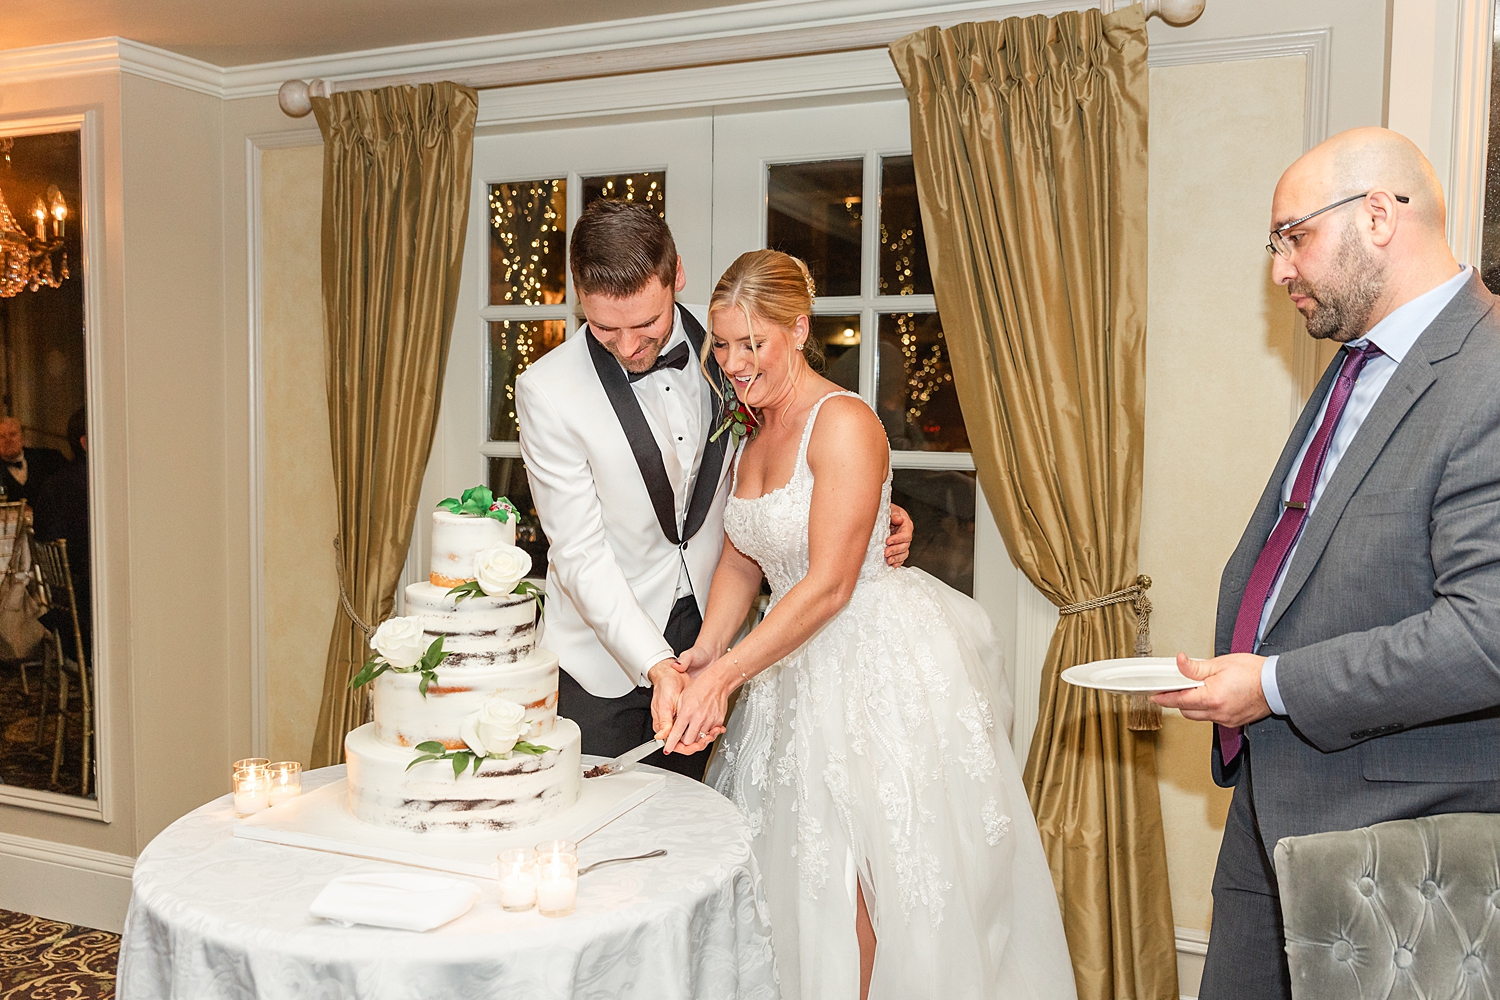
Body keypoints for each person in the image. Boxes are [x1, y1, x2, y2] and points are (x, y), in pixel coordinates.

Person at [657, 250, 1077, 1000]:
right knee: (793, 879)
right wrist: (703, 652)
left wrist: (728, 673)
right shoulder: (748, 434)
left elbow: (828, 585)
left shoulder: (842, 421)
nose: (734, 362)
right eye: (722, 344)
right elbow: (740, 564)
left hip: (870, 666)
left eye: (753, 343)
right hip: (787, 667)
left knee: (870, 881)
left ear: (799, 328)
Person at [1154, 127, 1500, 999]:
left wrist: (1271, 685)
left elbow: (1485, 634)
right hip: (1277, 793)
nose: (1280, 270)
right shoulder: (1358, 360)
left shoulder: (1489, 369)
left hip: (1397, 835)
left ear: (1379, 216)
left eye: (1292, 236)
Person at [515, 201, 914, 780]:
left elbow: (803, 451)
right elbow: (577, 552)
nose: (628, 346)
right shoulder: (547, 391)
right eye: (605, 328)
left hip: (723, 633)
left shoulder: (733, 345)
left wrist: (864, 509)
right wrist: (657, 664)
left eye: (646, 324)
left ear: (676, 275)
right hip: (605, 659)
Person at [34, 408, 91, 663]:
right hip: (86, 611)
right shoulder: (94, 484)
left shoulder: (55, 483)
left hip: (63, 604)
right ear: (86, 442)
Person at [0, 416, 65, 508]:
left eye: (12, 434)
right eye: (2, 436)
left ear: (22, 437)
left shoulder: (50, 458)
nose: (8, 440)